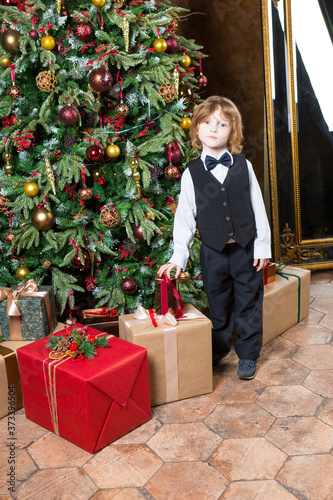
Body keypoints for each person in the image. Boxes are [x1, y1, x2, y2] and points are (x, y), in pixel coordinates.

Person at [157, 95, 271, 380]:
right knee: (218, 304)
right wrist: (178, 257)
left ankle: (247, 354)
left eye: (222, 124)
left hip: (246, 250)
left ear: (232, 131)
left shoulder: (243, 166)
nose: (213, 128)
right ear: (196, 128)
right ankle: (219, 347)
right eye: (207, 122)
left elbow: (258, 208)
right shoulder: (191, 173)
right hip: (213, 253)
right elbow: (184, 218)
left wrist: (262, 246)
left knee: (248, 303)